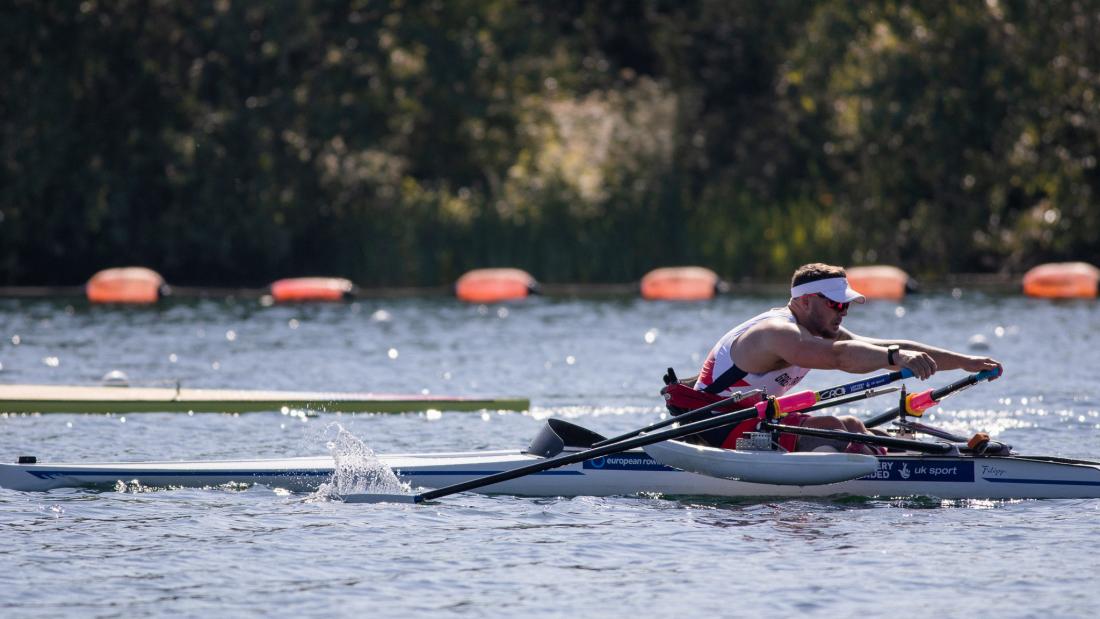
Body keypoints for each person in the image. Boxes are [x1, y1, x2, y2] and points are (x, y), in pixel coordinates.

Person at [681, 263, 1002, 453]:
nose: (843, 312)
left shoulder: (816, 328)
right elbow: (840, 357)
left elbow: (888, 346)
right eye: (836, 304)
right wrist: (896, 356)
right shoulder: (777, 332)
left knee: (854, 426)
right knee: (838, 427)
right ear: (805, 302)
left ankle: (928, 456)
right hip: (717, 427)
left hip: (754, 422)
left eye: (846, 305)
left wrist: (963, 362)